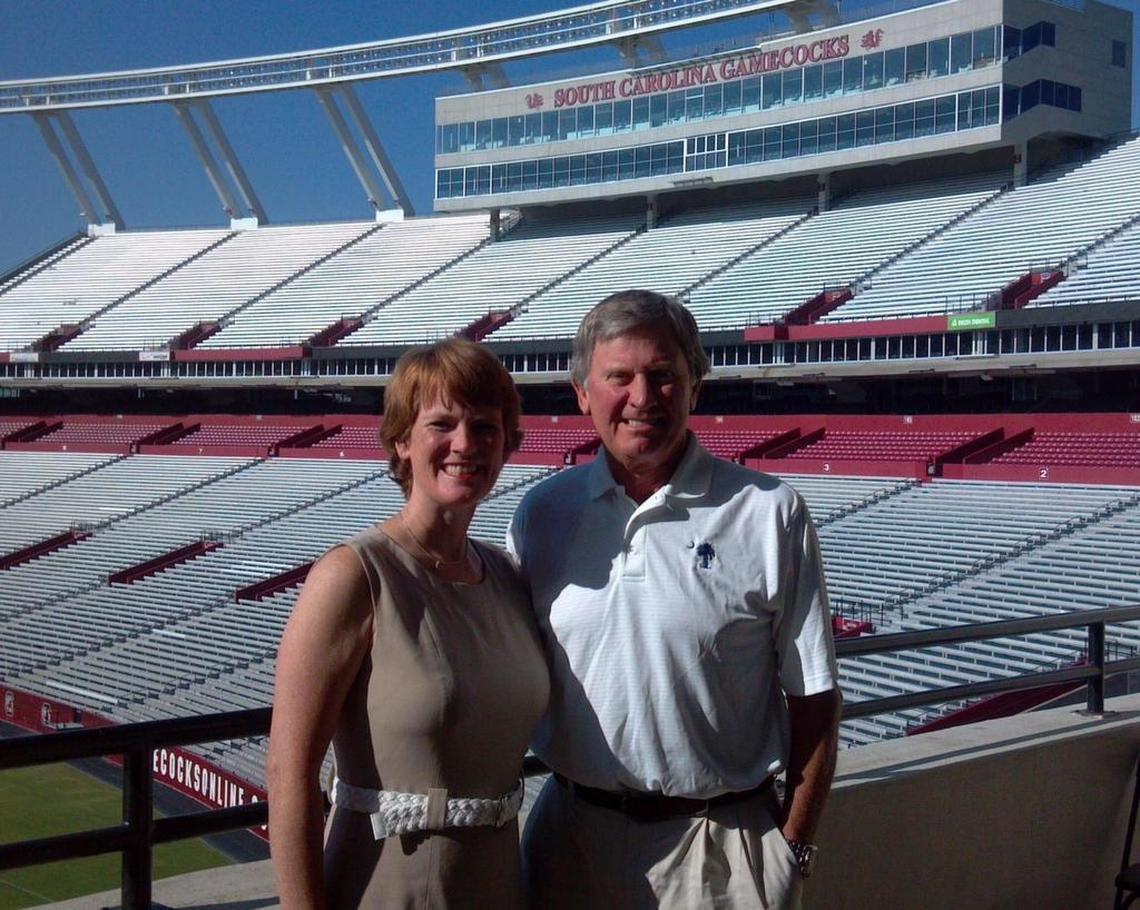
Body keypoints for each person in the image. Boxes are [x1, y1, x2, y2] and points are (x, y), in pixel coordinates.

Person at [507, 290, 841, 909]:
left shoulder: (769, 513)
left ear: (695, 387)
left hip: (719, 848)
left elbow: (815, 699)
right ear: (583, 393)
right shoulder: (542, 515)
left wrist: (791, 850)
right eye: (619, 378)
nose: (641, 398)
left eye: (662, 376)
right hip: (572, 837)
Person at [268, 338, 549, 909]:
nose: (465, 444)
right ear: (402, 440)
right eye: (441, 424)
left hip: (497, 885)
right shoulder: (352, 576)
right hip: (385, 887)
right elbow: (288, 774)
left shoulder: (507, 578)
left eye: (486, 427)